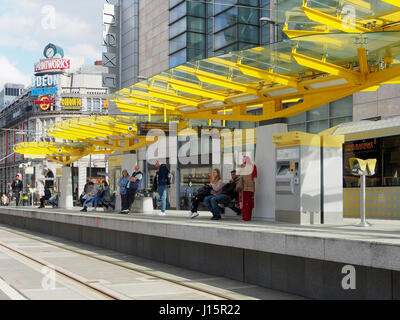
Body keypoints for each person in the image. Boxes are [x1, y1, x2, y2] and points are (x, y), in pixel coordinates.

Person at [237, 156, 258, 222]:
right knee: (250, 203)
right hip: (251, 188)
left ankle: (245, 217)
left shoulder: (241, 166)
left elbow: (238, 176)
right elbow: (254, 176)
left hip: (243, 188)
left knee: (244, 203)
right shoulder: (253, 166)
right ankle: (248, 217)